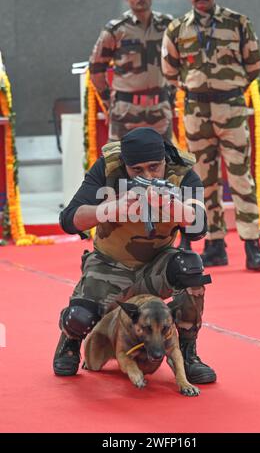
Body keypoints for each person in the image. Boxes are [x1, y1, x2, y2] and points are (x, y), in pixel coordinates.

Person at [53, 127, 216, 384]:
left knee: (190, 267)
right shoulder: (108, 168)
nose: (148, 175)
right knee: (79, 318)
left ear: (164, 160)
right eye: (137, 170)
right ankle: (70, 342)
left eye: (154, 167)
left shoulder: (181, 173)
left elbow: (199, 229)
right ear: (126, 165)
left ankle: (186, 352)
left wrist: (173, 206)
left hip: (156, 266)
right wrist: (111, 208)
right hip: (109, 265)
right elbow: (69, 220)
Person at [161, 0, 260, 270]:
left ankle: (252, 245)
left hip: (230, 108)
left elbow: (254, 65)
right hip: (197, 111)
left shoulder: (238, 22)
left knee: (240, 178)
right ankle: (214, 243)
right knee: (203, 180)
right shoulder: (177, 28)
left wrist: (228, 88)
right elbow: (169, 69)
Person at [89, 0, 174, 143]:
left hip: (159, 110)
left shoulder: (168, 25)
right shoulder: (116, 30)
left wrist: (171, 95)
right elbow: (96, 69)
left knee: (164, 162)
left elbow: (179, 63)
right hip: (125, 111)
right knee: (119, 164)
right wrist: (108, 101)